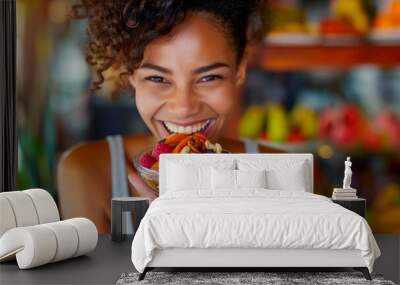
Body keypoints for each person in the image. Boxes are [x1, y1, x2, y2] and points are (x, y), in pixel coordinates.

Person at [57, 0, 284, 234]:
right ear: (131, 74)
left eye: (209, 78)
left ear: (240, 70)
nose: (184, 107)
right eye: (157, 79)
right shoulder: (87, 173)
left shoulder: (281, 175)